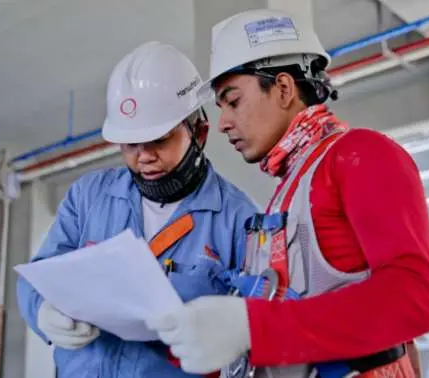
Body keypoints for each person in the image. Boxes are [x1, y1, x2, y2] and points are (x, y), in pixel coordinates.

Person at [146, 9, 429, 378]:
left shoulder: (360, 156)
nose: (223, 123)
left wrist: (253, 327)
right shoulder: (287, 194)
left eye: (232, 101)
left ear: (284, 88)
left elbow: (415, 299)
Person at [16, 41, 260, 378]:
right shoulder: (88, 198)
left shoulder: (239, 220)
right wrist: (42, 311)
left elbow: (257, 328)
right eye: (131, 144)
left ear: (199, 133)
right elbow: (39, 275)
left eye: (159, 139)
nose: (143, 157)